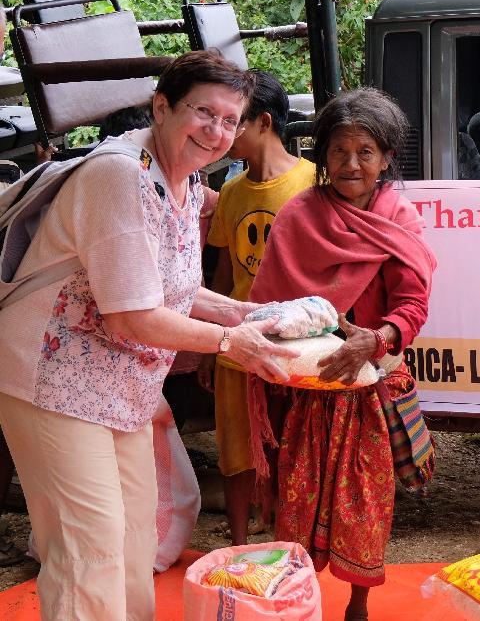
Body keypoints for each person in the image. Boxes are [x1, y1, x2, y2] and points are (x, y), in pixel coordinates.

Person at [0, 50, 299, 620]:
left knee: (136, 537)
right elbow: (132, 316)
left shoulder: (185, 183)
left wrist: (248, 314)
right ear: (161, 107)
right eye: (203, 112)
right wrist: (233, 343)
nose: (216, 132)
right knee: (89, 549)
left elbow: (174, 288)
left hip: (120, 390)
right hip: (52, 382)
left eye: (229, 120)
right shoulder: (119, 176)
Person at [247, 87, 436, 621]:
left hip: (369, 389)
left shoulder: (399, 217)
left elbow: (413, 304)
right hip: (303, 391)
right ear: (322, 156)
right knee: (295, 503)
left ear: (386, 157)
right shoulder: (299, 214)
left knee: (364, 507)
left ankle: (358, 606)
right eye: (338, 152)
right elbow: (268, 303)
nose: (351, 164)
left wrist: (372, 340)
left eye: (365, 153)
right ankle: (291, 601)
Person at [202, 69, 315, 546]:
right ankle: (240, 545)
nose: (224, 133)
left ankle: (287, 542)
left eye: (236, 122)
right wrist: (213, 347)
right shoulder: (230, 192)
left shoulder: (313, 183)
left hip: (296, 343)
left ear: (264, 122)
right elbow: (225, 281)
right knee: (236, 447)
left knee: (292, 445)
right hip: (240, 339)